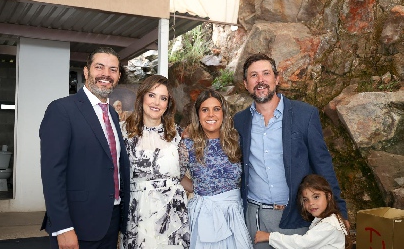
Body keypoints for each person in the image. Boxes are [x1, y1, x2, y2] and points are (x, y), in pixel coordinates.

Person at [233, 53, 349, 249]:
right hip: (255, 217)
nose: (260, 80)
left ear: (277, 79)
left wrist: (340, 211)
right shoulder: (240, 121)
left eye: (266, 74)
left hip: (295, 216)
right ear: (246, 84)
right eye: (254, 75)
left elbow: (323, 163)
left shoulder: (305, 115)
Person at [40, 47, 130, 249]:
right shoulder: (62, 110)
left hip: (111, 220)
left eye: (113, 69)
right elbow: (52, 174)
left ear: (118, 76)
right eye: (99, 67)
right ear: (86, 71)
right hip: (77, 224)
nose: (106, 74)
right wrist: (62, 227)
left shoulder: (113, 115)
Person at [121, 75, 190, 248]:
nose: (156, 103)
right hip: (137, 213)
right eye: (152, 95)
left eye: (163, 98)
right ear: (142, 97)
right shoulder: (123, 132)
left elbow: (182, 175)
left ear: (168, 104)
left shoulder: (178, 135)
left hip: (173, 215)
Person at [179, 89, 253, 249]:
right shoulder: (188, 144)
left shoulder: (236, 140)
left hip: (233, 215)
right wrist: (196, 188)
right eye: (205, 110)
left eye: (216, 109)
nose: (211, 115)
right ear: (198, 115)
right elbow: (176, 174)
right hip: (204, 216)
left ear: (223, 113)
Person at [255, 174, 351, 249]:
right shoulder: (327, 219)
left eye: (316, 197)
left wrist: (270, 237)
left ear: (328, 196)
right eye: (306, 199)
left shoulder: (329, 225)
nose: (311, 203)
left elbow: (301, 244)